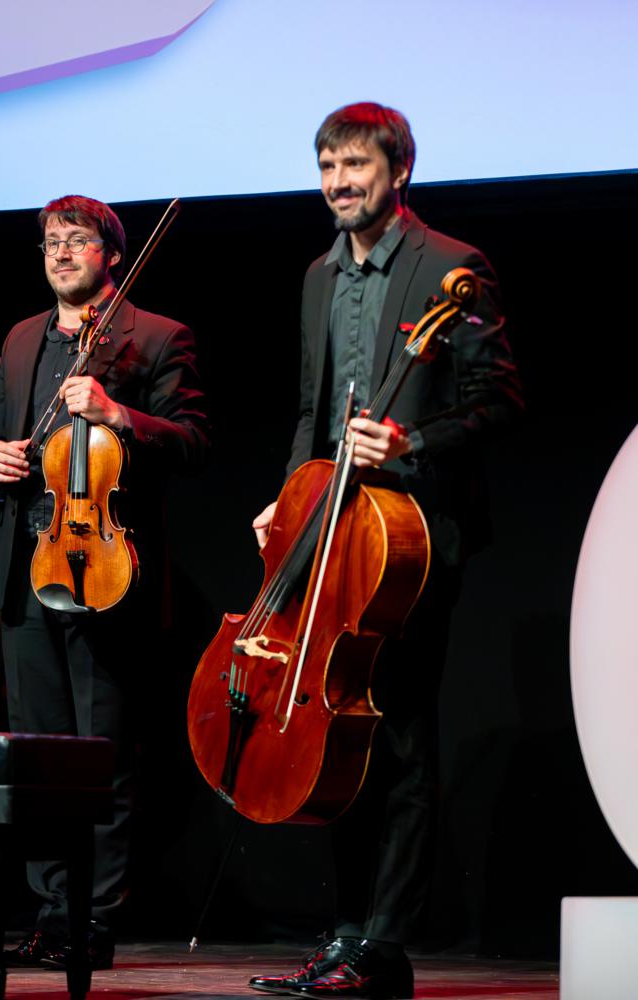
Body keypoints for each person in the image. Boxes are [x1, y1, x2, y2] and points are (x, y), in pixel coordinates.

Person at [246, 103, 522, 999]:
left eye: (355, 165)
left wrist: (411, 442)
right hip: (332, 529)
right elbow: (311, 408)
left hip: (412, 537)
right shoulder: (317, 276)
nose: (338, 183)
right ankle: (345, 936)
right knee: (341, 733)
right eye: (327, 166)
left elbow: (499, 402)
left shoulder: (451, 266)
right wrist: (289, 498)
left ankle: (384, 945)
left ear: (398, 171)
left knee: (398, 735)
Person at [0, 194, 209, 969]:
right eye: (50, 242)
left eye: (76, 240)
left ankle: (93, 917)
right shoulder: (20, 338)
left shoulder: (157, 336)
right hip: (26, 568)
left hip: (107, 569)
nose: (61, 253)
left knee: (102, 752)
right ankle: (50, 909)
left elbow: (193, 442)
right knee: (37, 753)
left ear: (111, 253)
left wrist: (117, 414)